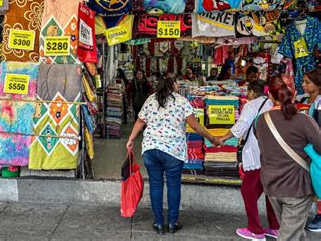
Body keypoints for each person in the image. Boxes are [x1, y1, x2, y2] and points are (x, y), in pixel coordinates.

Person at [126, 77, 221, 235]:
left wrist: (130, 139)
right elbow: (195, 125)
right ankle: (172, 222)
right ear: (173, 86)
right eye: (177, 83)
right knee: (173, 186)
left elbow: (140, 122)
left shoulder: (150, 99)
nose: (178, 85)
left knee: (156, 185)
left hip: (151, 149)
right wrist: (212, 139)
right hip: (173, 151)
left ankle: (158, 223)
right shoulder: (182, 101)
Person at [255, 75, 321, 241]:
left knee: (295, 232)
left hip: (272, 186)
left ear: (270, 95)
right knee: (289, 236)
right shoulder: (304, 121)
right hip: (297, 188)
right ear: (295, 93)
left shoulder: (260, 121)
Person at [220, 80, 279, 240]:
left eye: (248, 91)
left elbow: (241, 127)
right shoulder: (270, 102)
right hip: (272, 155)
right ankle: (275, 227)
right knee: (269, 192)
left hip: (256, 153)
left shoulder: (251, 105)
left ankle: (256, 230)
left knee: (248, 191)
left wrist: (222, 138)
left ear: (252, 91)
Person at [298, 69, 321, 233]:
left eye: (308, 82)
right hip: (307, 148)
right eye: (304, 81)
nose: (304, 85)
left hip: (316, 148)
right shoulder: (304, 99)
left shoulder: (320, 103)